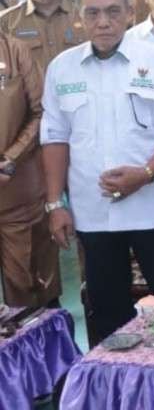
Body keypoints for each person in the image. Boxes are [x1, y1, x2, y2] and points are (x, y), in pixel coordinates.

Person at [41, 0, 154, 344]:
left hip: (153, 210)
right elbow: (54, 137)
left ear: (130, 12)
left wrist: (145, 174)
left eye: (113, 11)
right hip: (93, 213)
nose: (103, 21)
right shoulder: (62, 69)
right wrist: (54, 204)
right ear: (78, 17)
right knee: (107, 312)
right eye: (92, 13)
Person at [0, 32, 58, 307]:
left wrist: (10, 159)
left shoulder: (15, 50)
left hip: (16, 192)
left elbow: (41, 111)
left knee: (31, 293)